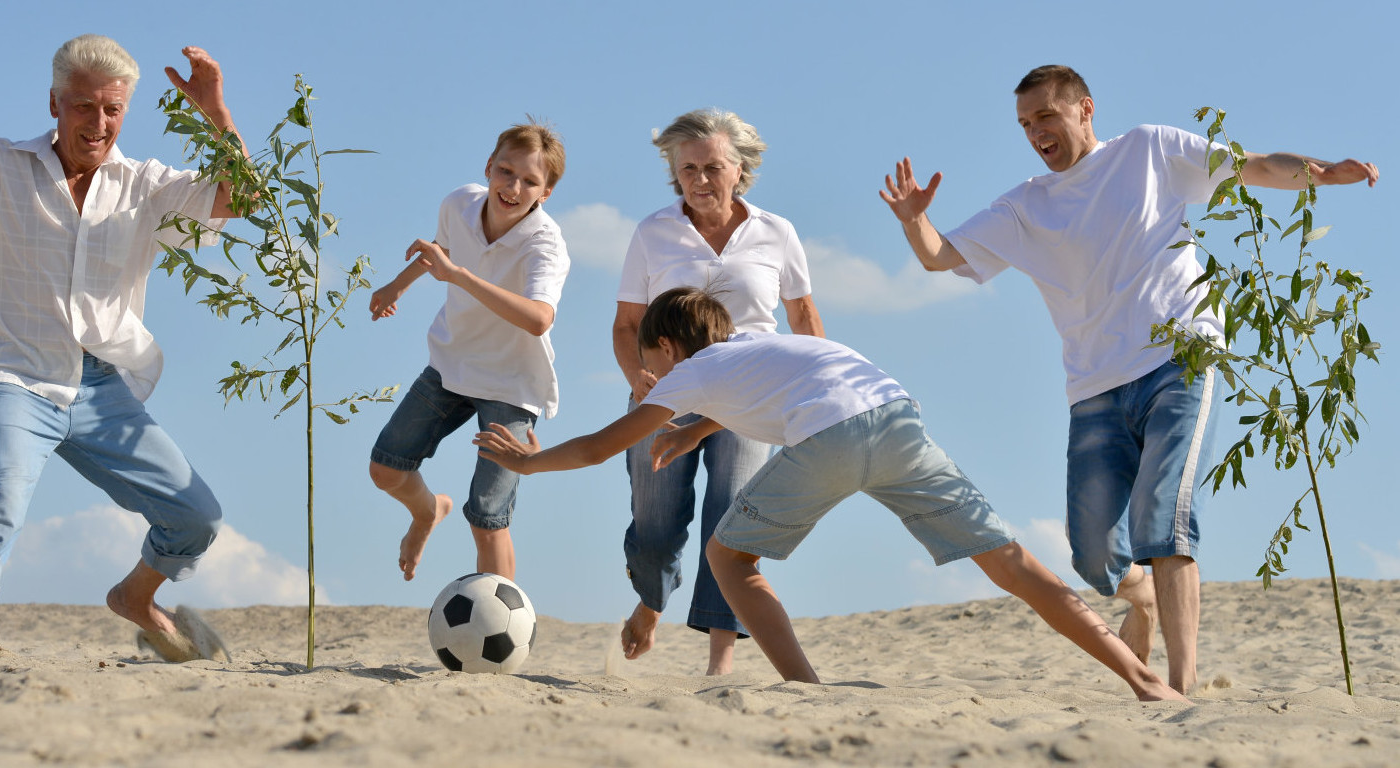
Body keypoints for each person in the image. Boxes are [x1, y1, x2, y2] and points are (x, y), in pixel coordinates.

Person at [878, 64, 1380, 694]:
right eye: (1025, 124)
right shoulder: (1026, 204)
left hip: (1181, 360)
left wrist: (1325, 173)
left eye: (1046, 117)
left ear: (1084, 109)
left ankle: (1183, 688)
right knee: (1093, 553)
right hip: (1093, 389)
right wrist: (912, 220)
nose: (1035, 132)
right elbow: (938, 256)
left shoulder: (1148, 150)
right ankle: (1140, 603)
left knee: (1165, 517)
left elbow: (1254, 165)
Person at [475, 287, 1186, 701]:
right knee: (1008, 561)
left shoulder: (690, 373)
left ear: (667, 348)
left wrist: (529, 465)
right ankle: (1141, 679)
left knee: (731, 561)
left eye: (647, 363)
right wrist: (694, 436)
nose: (647, 375)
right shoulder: (755, 350)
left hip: (834, 435)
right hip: (898, 417)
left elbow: (603, 445)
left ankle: (804, 690)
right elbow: (761, 393)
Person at [0, 30, 247, 660]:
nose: (99, 123)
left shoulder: (147, 186)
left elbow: (244, 200)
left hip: (102, 386)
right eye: (83, 106)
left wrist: (217, 114)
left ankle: (136, 598)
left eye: (113, 109)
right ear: (54, 104)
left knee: (196, 515)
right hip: (13, 375)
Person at [613, 108, 824, 675]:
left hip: (752, 396)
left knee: (731, 518)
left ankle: (719, 660)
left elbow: (803, 317)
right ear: (673, 172)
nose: (700, 180)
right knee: (654, 522)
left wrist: (814, 392)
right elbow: (627, 324)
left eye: (712, 167)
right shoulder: (652, 232)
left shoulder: (776, 232)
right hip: (667, 393)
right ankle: (652, 600)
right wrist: (638, 378)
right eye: (688, 169)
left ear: (740, 169)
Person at [367, 121, 569, 586]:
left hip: (511, 385)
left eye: (530, 181)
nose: (513, 187)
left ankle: (500, 640)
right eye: (506, 171)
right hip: (450, 365)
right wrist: (396, 285)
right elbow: (442, 249)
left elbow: (539, 318)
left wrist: (457, 276)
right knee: (385, 469)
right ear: (489, 167)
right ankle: (427, 513)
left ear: (547, 192)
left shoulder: (546, 244)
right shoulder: (460, 202)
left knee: (487, 516)